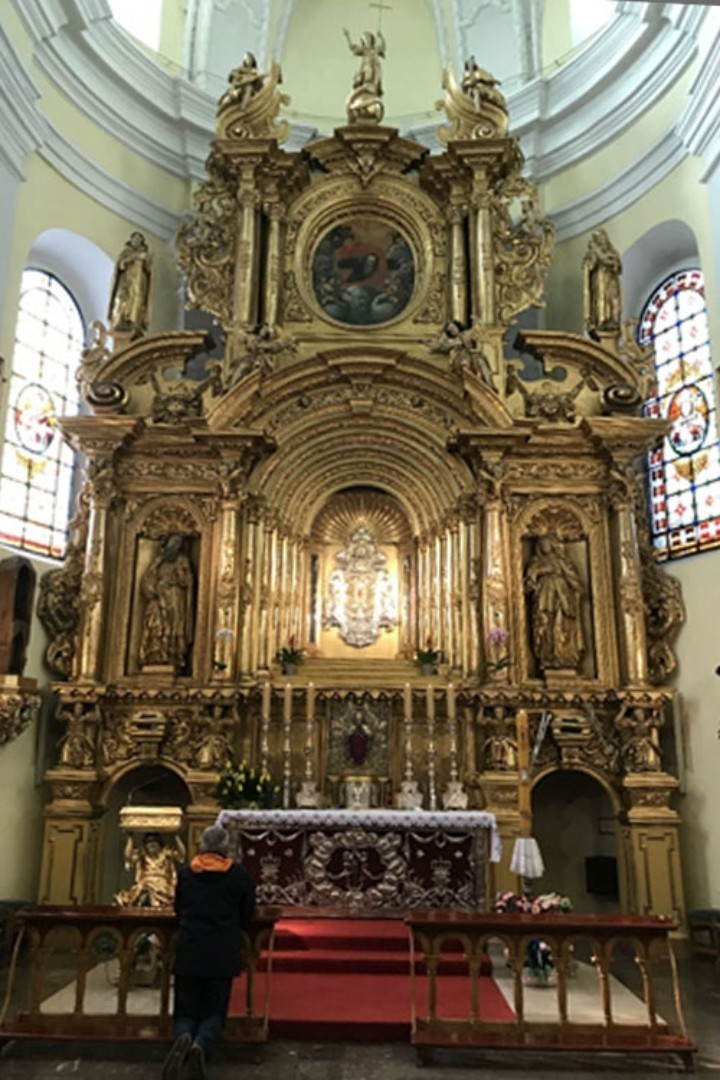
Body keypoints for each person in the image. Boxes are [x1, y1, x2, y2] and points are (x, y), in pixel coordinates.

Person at [162, 824, 256, 1080]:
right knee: (215, 1009)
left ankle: (183, 1036)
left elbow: (178, 907)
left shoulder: (186, 873)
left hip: (190, 948)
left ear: (202, 845)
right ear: (226, 848)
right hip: (222, 951)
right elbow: (247, 911)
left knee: (185, 1008)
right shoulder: (238, 876)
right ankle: (201, 1044)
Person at [524, 534, 585, 671]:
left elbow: (573, 579)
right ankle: (547, 656)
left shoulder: (561, 561)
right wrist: (538, 574)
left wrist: (575, 591)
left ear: (552, 545)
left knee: (562, 624)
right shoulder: (536, 562)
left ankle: (564, 656)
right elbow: (529, 583)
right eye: (542, 544)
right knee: (545, 625)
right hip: (544, 597)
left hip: (562, 596)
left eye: (547, 543)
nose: (545, 546)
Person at [139, 534, 195, 671]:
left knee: (174, 625)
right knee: (155, 624)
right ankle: (156, 653)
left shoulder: (182, 560)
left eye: (178, 544)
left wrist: (174, 579)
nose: (175, 546)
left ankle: (172, 654)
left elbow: (186, 581)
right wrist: (154, 588)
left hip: (175, 598)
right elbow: (147, 579)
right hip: (158, 598)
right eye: (173, 542)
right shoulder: (158, 562)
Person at [108, 230, 152, 337]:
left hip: (138, 282)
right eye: (134, 239)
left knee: (137, 300)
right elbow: (121, 266)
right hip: (126, 282)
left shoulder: (145, 255)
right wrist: (132, 258)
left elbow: (149, 270)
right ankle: (119, 319)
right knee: (121, 299)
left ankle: (134, 322)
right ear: (131, 241)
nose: (136, 241)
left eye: (139, 240)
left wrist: (144, 260)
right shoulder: (125, 253)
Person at [582, 227, 622, 338]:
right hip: (599, 280)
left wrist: (611, 262)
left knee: (612, 299)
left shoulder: (612, 252)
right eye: (598, 238)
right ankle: (601, 319)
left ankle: (611, 319)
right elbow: (590, 266)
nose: (601, 240)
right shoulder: (592, 253)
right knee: (601, 299)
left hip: (610, 280)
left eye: (601, 237)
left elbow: (618, 266)